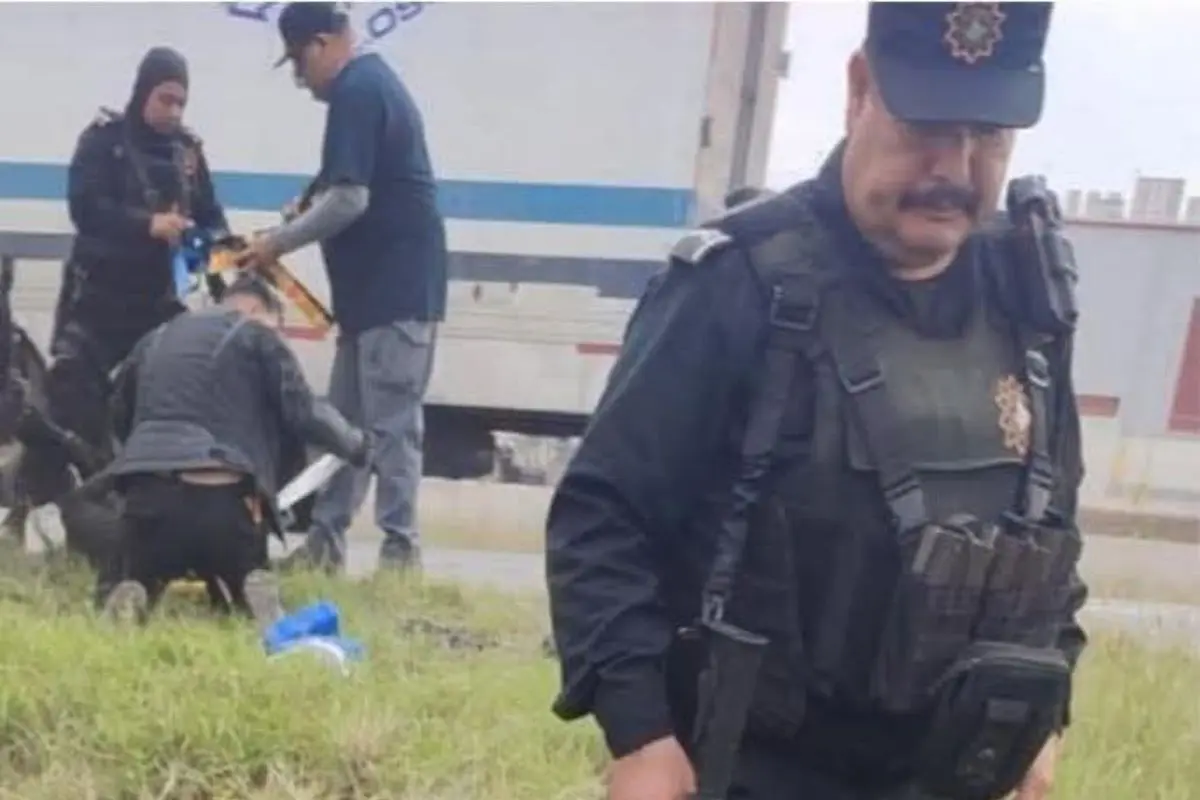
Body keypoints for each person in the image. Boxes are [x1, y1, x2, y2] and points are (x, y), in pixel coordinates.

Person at [545, 4, 1087, 800]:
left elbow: (1053, 530)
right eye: (928, 128)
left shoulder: (1026, 299)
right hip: (757, 768)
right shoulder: (740, 284)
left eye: (988, 135)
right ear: (860, 87)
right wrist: (643, 737)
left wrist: (1047, 713)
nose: (956, 167)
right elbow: (602, 518)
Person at [237, 2, 448, 575]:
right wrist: (305, 207)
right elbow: (338, 183)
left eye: (301, 63)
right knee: (343, 430)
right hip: (371, 298)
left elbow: (352, 199)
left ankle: (400, 554)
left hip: (396, 293)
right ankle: (325, 544)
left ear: (326, 43)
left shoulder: (358, 89)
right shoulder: (368, 88)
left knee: (391, 429)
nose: (301, 81)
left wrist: (280, 241)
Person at [17, 46, 229, 517]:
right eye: (164, 99)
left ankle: (132, 513)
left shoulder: (188, 152)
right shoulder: (104, 141)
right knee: (72, 409)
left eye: (180, 102)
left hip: (156, 305)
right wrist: (146, 225)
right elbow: (86, 209)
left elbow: (213, 217)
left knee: (155, 411)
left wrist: (206, 242)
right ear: (142, 92)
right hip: (97, 302)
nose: (172, 111)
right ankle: (37, 505)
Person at [96, 273, 371, 625]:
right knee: (235, 593)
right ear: (257, 311)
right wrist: (356, 444)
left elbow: (117, 411)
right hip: (222, 502)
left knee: (139, 568)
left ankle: (136, 588)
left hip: (148, 501)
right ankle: (245, 589)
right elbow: (304, 412)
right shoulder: (256, 336)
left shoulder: (156, 337)